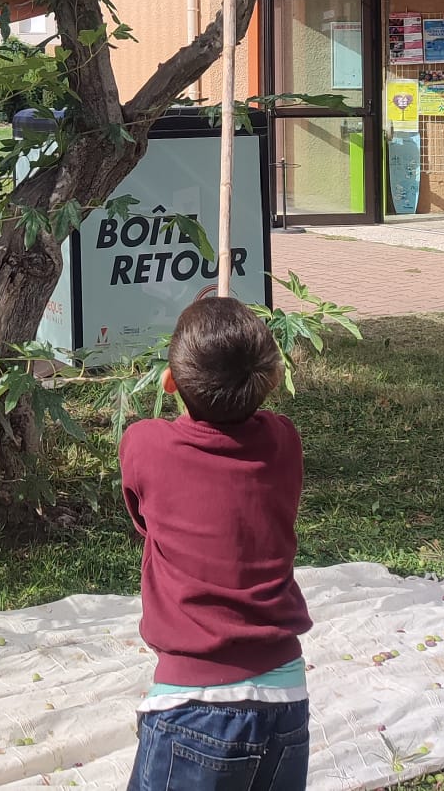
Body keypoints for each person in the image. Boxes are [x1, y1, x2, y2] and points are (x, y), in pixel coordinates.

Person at [119, 294, 312, 791]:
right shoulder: (284, 441)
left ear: (170, 383)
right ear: (270, 380)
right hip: (287, 700)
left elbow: (144, 519)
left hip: (193, 707)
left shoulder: (145, 445)